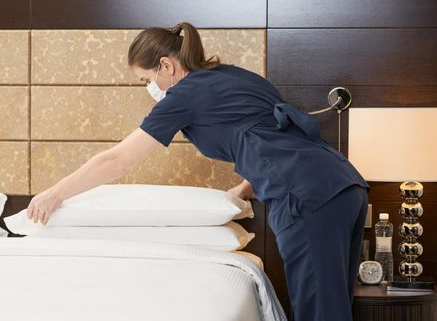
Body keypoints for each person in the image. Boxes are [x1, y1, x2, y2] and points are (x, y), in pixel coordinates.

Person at [26, 22, 370, 321]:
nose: (150, 88)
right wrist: (243, 190)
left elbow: (117, 160)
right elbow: (269, 135)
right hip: (343, 185)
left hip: (306, 198)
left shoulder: (184, 96)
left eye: (146, 79)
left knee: (319, 312)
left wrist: (55, 193)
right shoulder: (231, 75)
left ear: (165, 66)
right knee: (332, 308)